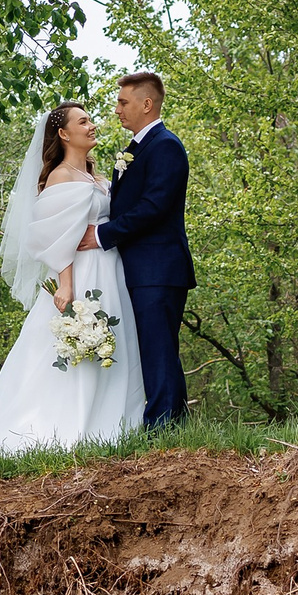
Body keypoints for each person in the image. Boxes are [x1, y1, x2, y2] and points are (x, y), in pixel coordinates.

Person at [0, 103, 146, 458]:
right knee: (75, 349)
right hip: (82, 273)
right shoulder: (60, 176)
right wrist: (67, 285)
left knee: (112, 347)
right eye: (83, 121)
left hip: (111, 271)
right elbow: (58, 236)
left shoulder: (98, 177)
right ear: (63, 133)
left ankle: (113, 426)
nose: (92, 126)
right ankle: (66, 426)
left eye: (90, 120)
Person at [79, 71, 195, 426]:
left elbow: (154, 206)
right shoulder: (136, 149)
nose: (116, 110)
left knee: (158, 349)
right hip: (141, 267)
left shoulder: (165, 146)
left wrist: (101, 235)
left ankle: (161, 428)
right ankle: (172, 425)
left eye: (122, 102)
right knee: (156, 350)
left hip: (159, 267)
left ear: (147, 104)